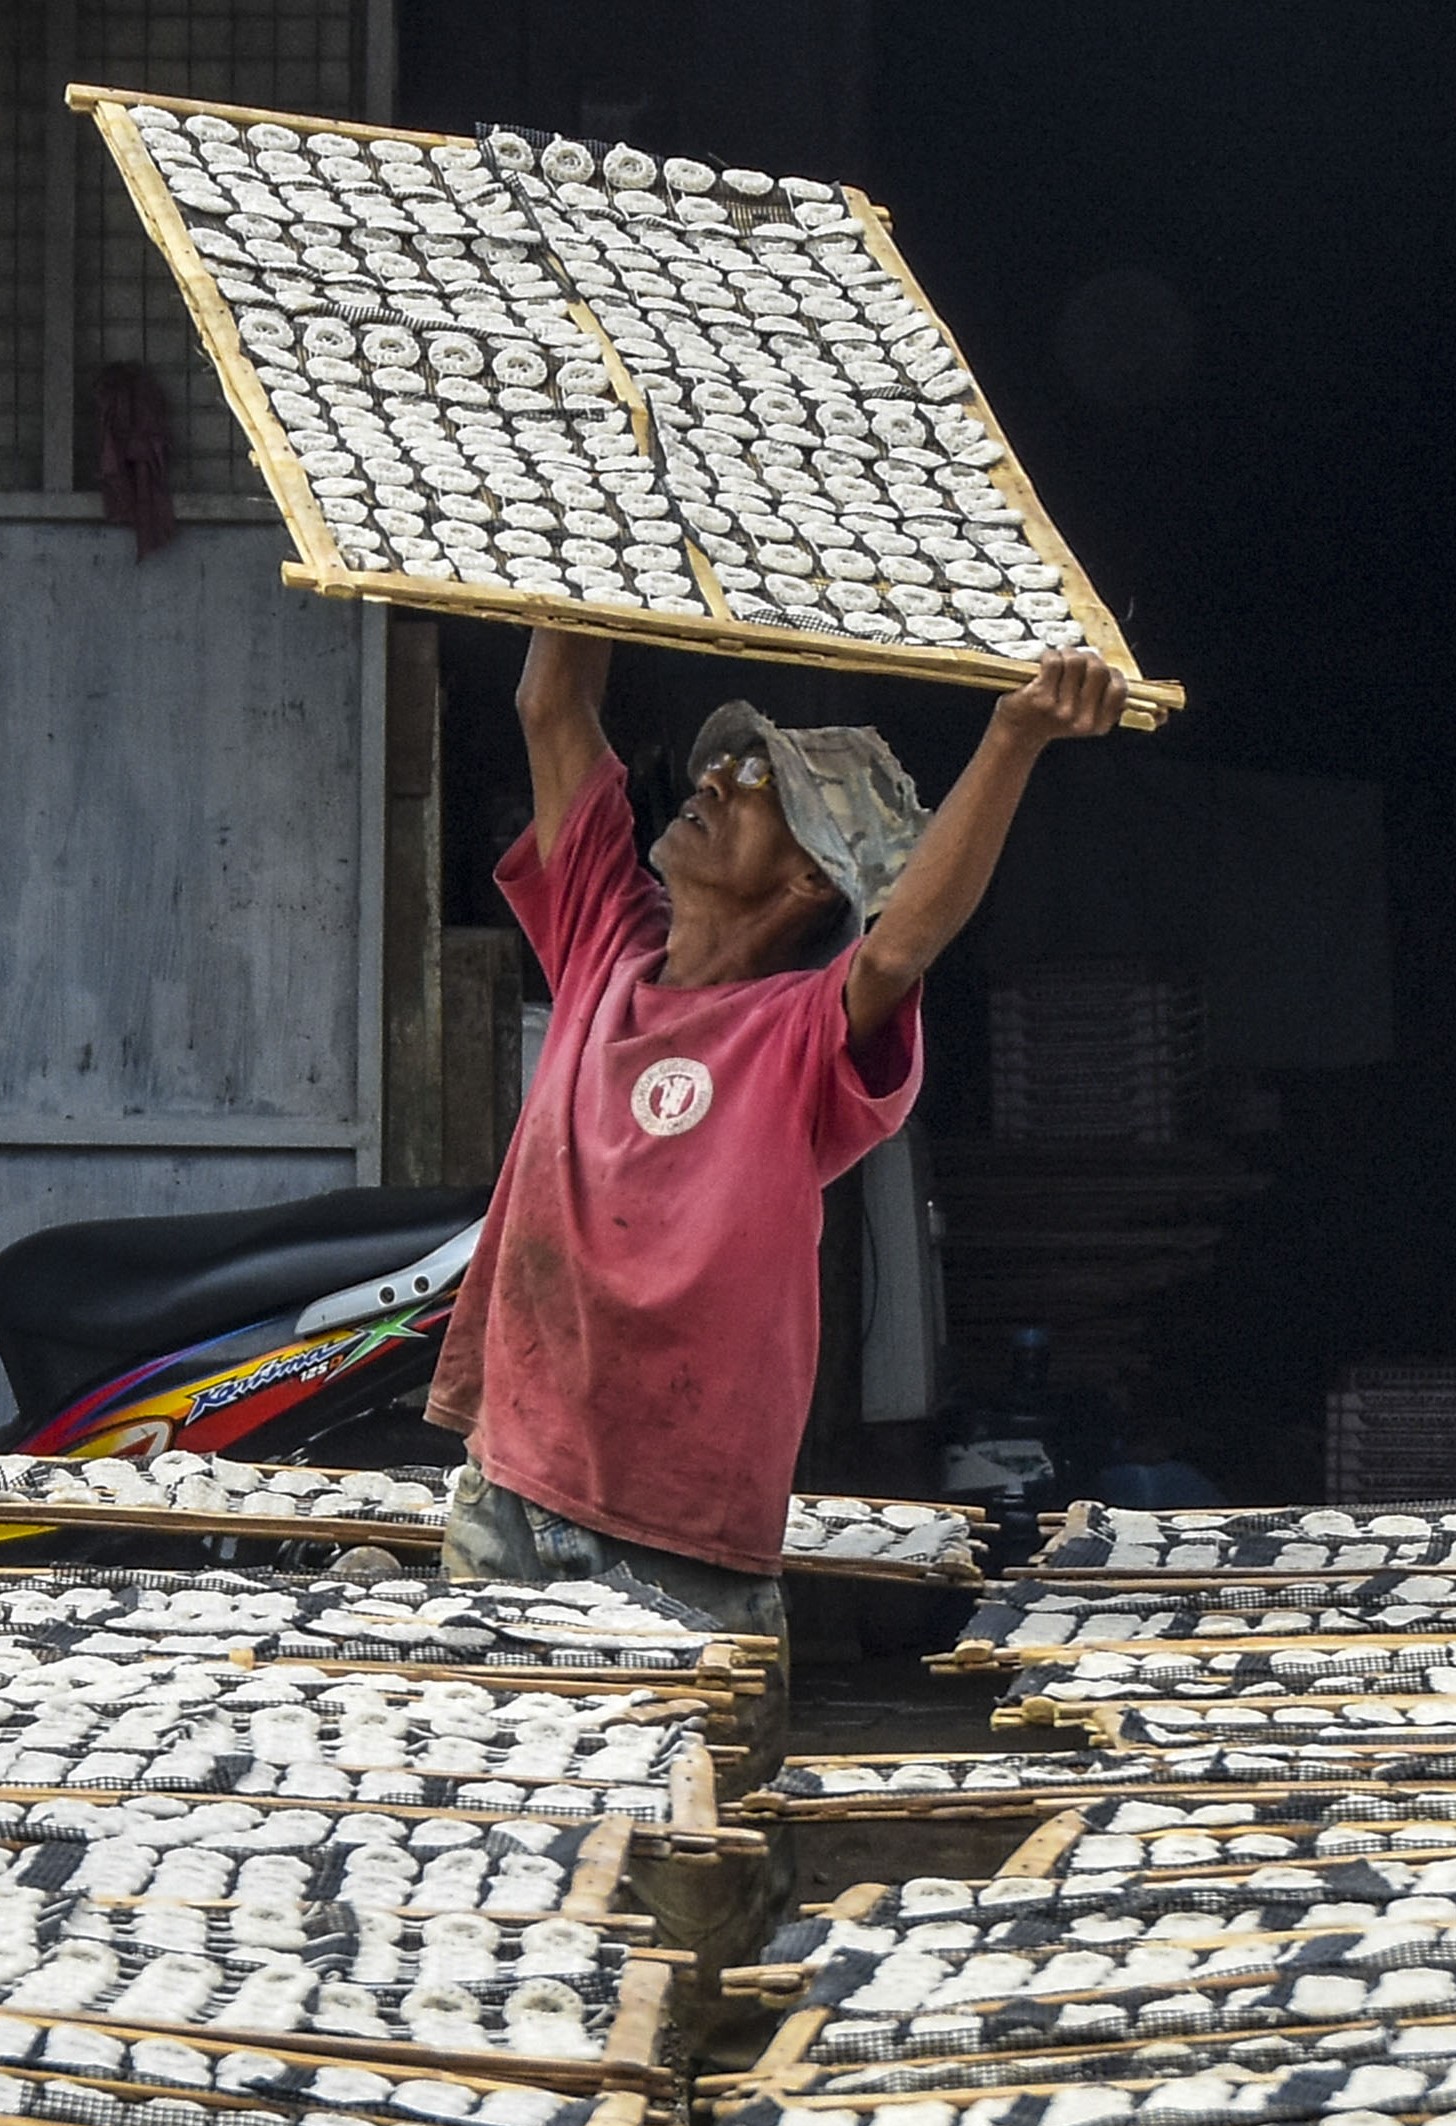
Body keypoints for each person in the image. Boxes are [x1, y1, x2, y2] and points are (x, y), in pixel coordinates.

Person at [431, 627, 1118, 1640]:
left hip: (681, 1547)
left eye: (756, 782)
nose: (714, 778)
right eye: (727, 760)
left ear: (809, 880)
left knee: (678, 1796)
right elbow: (550, 708)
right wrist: (588, 510)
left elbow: (903, 943)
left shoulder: (798, 1035)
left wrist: (1013, 735)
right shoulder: (602, 945)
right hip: (509, 1498)